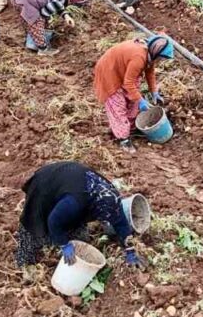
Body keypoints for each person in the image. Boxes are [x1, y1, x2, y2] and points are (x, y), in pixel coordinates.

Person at [15, 161, 146, 268]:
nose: (103, 221)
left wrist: (130, 251)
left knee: (76, 229)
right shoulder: (74, 202)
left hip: (73, 183)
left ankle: (61, 242)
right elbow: (53, 220)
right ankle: (24, 261)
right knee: (35, 225)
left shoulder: (112, 199)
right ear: (97, 209)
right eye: (103, 218)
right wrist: (64, 244)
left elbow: (120, 222)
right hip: (46, 183)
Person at [93, 36, 175, 152]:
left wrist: (154, 92)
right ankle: (123, 139)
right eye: (161, 58)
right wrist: (140, 100)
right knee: (118, 107)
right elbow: (128, 83)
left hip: (123, 71)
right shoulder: (139, 57)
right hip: (108, 73)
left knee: (133, 100)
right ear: (156, 52)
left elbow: (150, 73)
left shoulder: (149, 54)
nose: (161, 61)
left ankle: (129, 128)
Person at [10, 0, 89, 55]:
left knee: (32, 19)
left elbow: (57, 4)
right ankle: (43, 49)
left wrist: (66, 16)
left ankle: (33, 40)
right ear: (71, 1)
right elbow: (44, 14)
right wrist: (44, 26)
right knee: (37, 21)